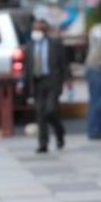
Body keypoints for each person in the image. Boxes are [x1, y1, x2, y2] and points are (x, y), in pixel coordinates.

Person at [18, 18, 69, 154]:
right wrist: (21, 82)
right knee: (40, 114)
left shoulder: (55, 44)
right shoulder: (29, 46)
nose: (37, 32)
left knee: (50, 111)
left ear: (45, 31)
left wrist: (68, 80)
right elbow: (26, 68)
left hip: (52, 81)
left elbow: (64, 64)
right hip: (37, 82)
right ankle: (43, 143)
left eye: (39, 29)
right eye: (35, 29)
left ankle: (59, 132)